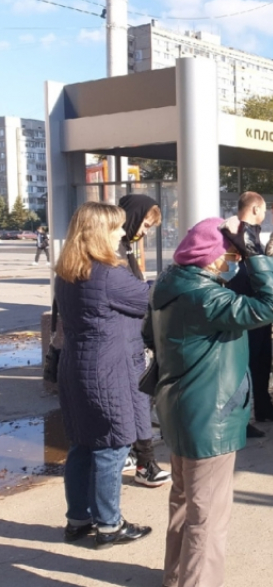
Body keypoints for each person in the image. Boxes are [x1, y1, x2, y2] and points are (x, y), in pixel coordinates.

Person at [144, 216, 273, 587]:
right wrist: (258, 258)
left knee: (183, 503)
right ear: (211, 258)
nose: (234, 261)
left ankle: (175, 577)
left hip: (179, 408)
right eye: (231, 255)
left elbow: (148, 335)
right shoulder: (207, 296)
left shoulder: (169, 285)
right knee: (208, 517)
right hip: (210, 417)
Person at [54, 201, 152, 548]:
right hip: (106, 370)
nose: (124, 233)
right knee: (112, 445)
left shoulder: (68, 271)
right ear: (99, 234)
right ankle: (109, 525)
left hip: (76, 368)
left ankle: (78, 520)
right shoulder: (109, 275)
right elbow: (149, 298)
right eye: (117, 228)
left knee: (82, 444)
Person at [115, 194, 172, 487]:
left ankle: (137, 457)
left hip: (129, 340)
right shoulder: (115, 253)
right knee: (137, 402)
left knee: (135, 403)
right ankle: (145, 463)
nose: (145, 232)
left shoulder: (124, 251)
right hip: (122, 343)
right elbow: (133, 295)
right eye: (145, 225)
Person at [227, 192, 273, 437]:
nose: (265, 215)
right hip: (247, 306)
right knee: (247, 363)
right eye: (264, 210)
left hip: (259, 304)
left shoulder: (250, 233)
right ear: (255, 209)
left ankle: (264, 407)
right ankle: (242, 418)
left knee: (263, 358)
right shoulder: (238, 232)